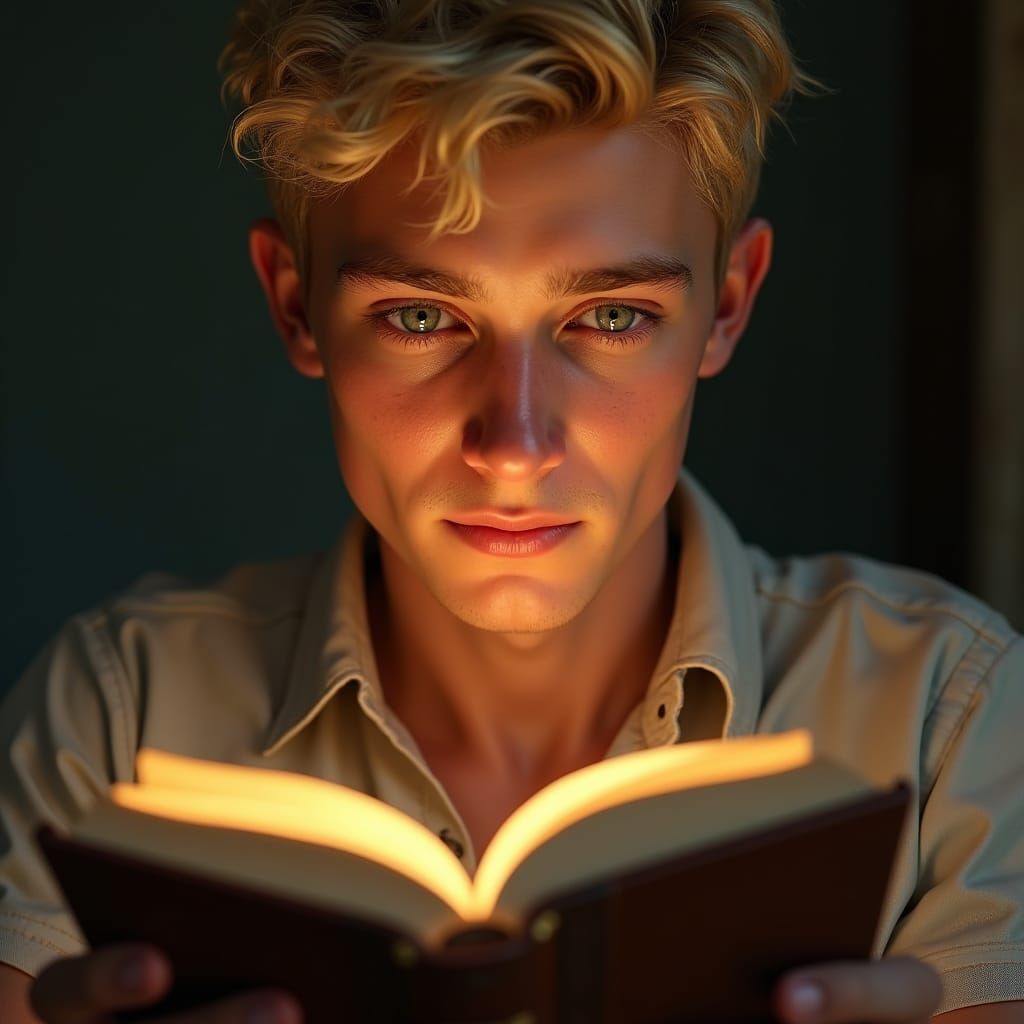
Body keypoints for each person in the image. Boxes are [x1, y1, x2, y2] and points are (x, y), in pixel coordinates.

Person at [1, 0, 1022, 1021]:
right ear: (295, 302)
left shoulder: (947, 721)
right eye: (420, 316)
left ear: (726, 303)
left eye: (612, 316)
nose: (516, 444)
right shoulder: (116, 721)